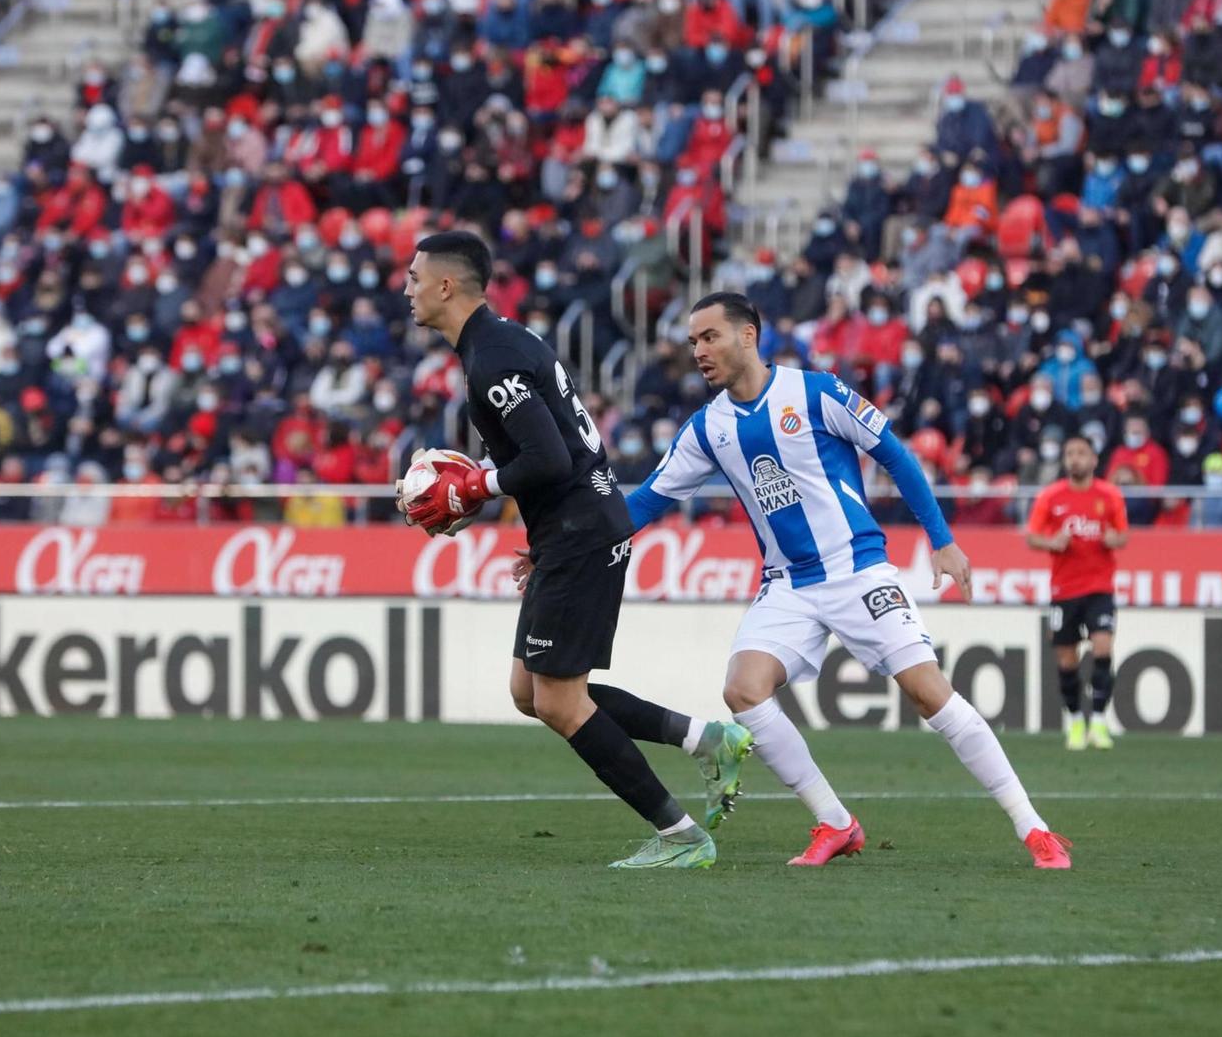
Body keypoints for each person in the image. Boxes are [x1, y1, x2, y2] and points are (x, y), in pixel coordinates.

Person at [541, 292, 1069, 870]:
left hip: (856, 569)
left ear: (748, 336)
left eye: (710, 337)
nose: (698, 351)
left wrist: (941, 539)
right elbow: (645, 502)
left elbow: (894, 454)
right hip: (788, 583)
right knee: (743, 689)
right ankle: (836, 822)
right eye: (693, 341)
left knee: (928, 692)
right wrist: (567, 544)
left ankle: (1033, 828)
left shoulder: (816, 393)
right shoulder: (708, 427)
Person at [400, 232, 751, 868]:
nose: (408, 288)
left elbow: (548, 457)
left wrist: (479, 485)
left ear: (446, 286)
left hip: (580, 531)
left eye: (415, 277)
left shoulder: (492, 357)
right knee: (531, 693)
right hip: (573, 526)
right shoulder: (501, 342)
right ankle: (708, 740)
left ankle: (680, 836)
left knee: (560, 700)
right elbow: (562, 448)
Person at [1025, 434, 1130, 752]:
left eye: (1081, 453)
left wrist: (1114, 539)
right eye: (1070, 453)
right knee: (1067, 660)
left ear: (1094, 460)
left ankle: (1098, 720)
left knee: (1102, 648)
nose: (1075, 459)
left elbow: (1123, 535)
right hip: (1064, 589)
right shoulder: (1051, 496)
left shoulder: (1109, 495)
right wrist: (1050, 542)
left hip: (1099, 587)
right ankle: (1075, 721)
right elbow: (1032, 537)